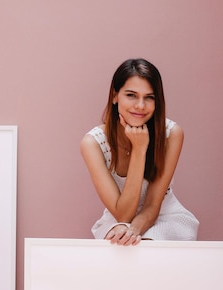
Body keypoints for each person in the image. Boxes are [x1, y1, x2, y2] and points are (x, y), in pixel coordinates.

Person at [80, 58, 199, 245]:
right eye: (131, 95)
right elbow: (123, 213)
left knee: (147, 244)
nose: (140, 106)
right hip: (118, 218)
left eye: (149, 97)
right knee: (119, 243)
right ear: (115, 96)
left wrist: (133, 231)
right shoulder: (93, 143)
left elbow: (152, 205)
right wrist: (139, 149)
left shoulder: (172, 134)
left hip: (164, 216)